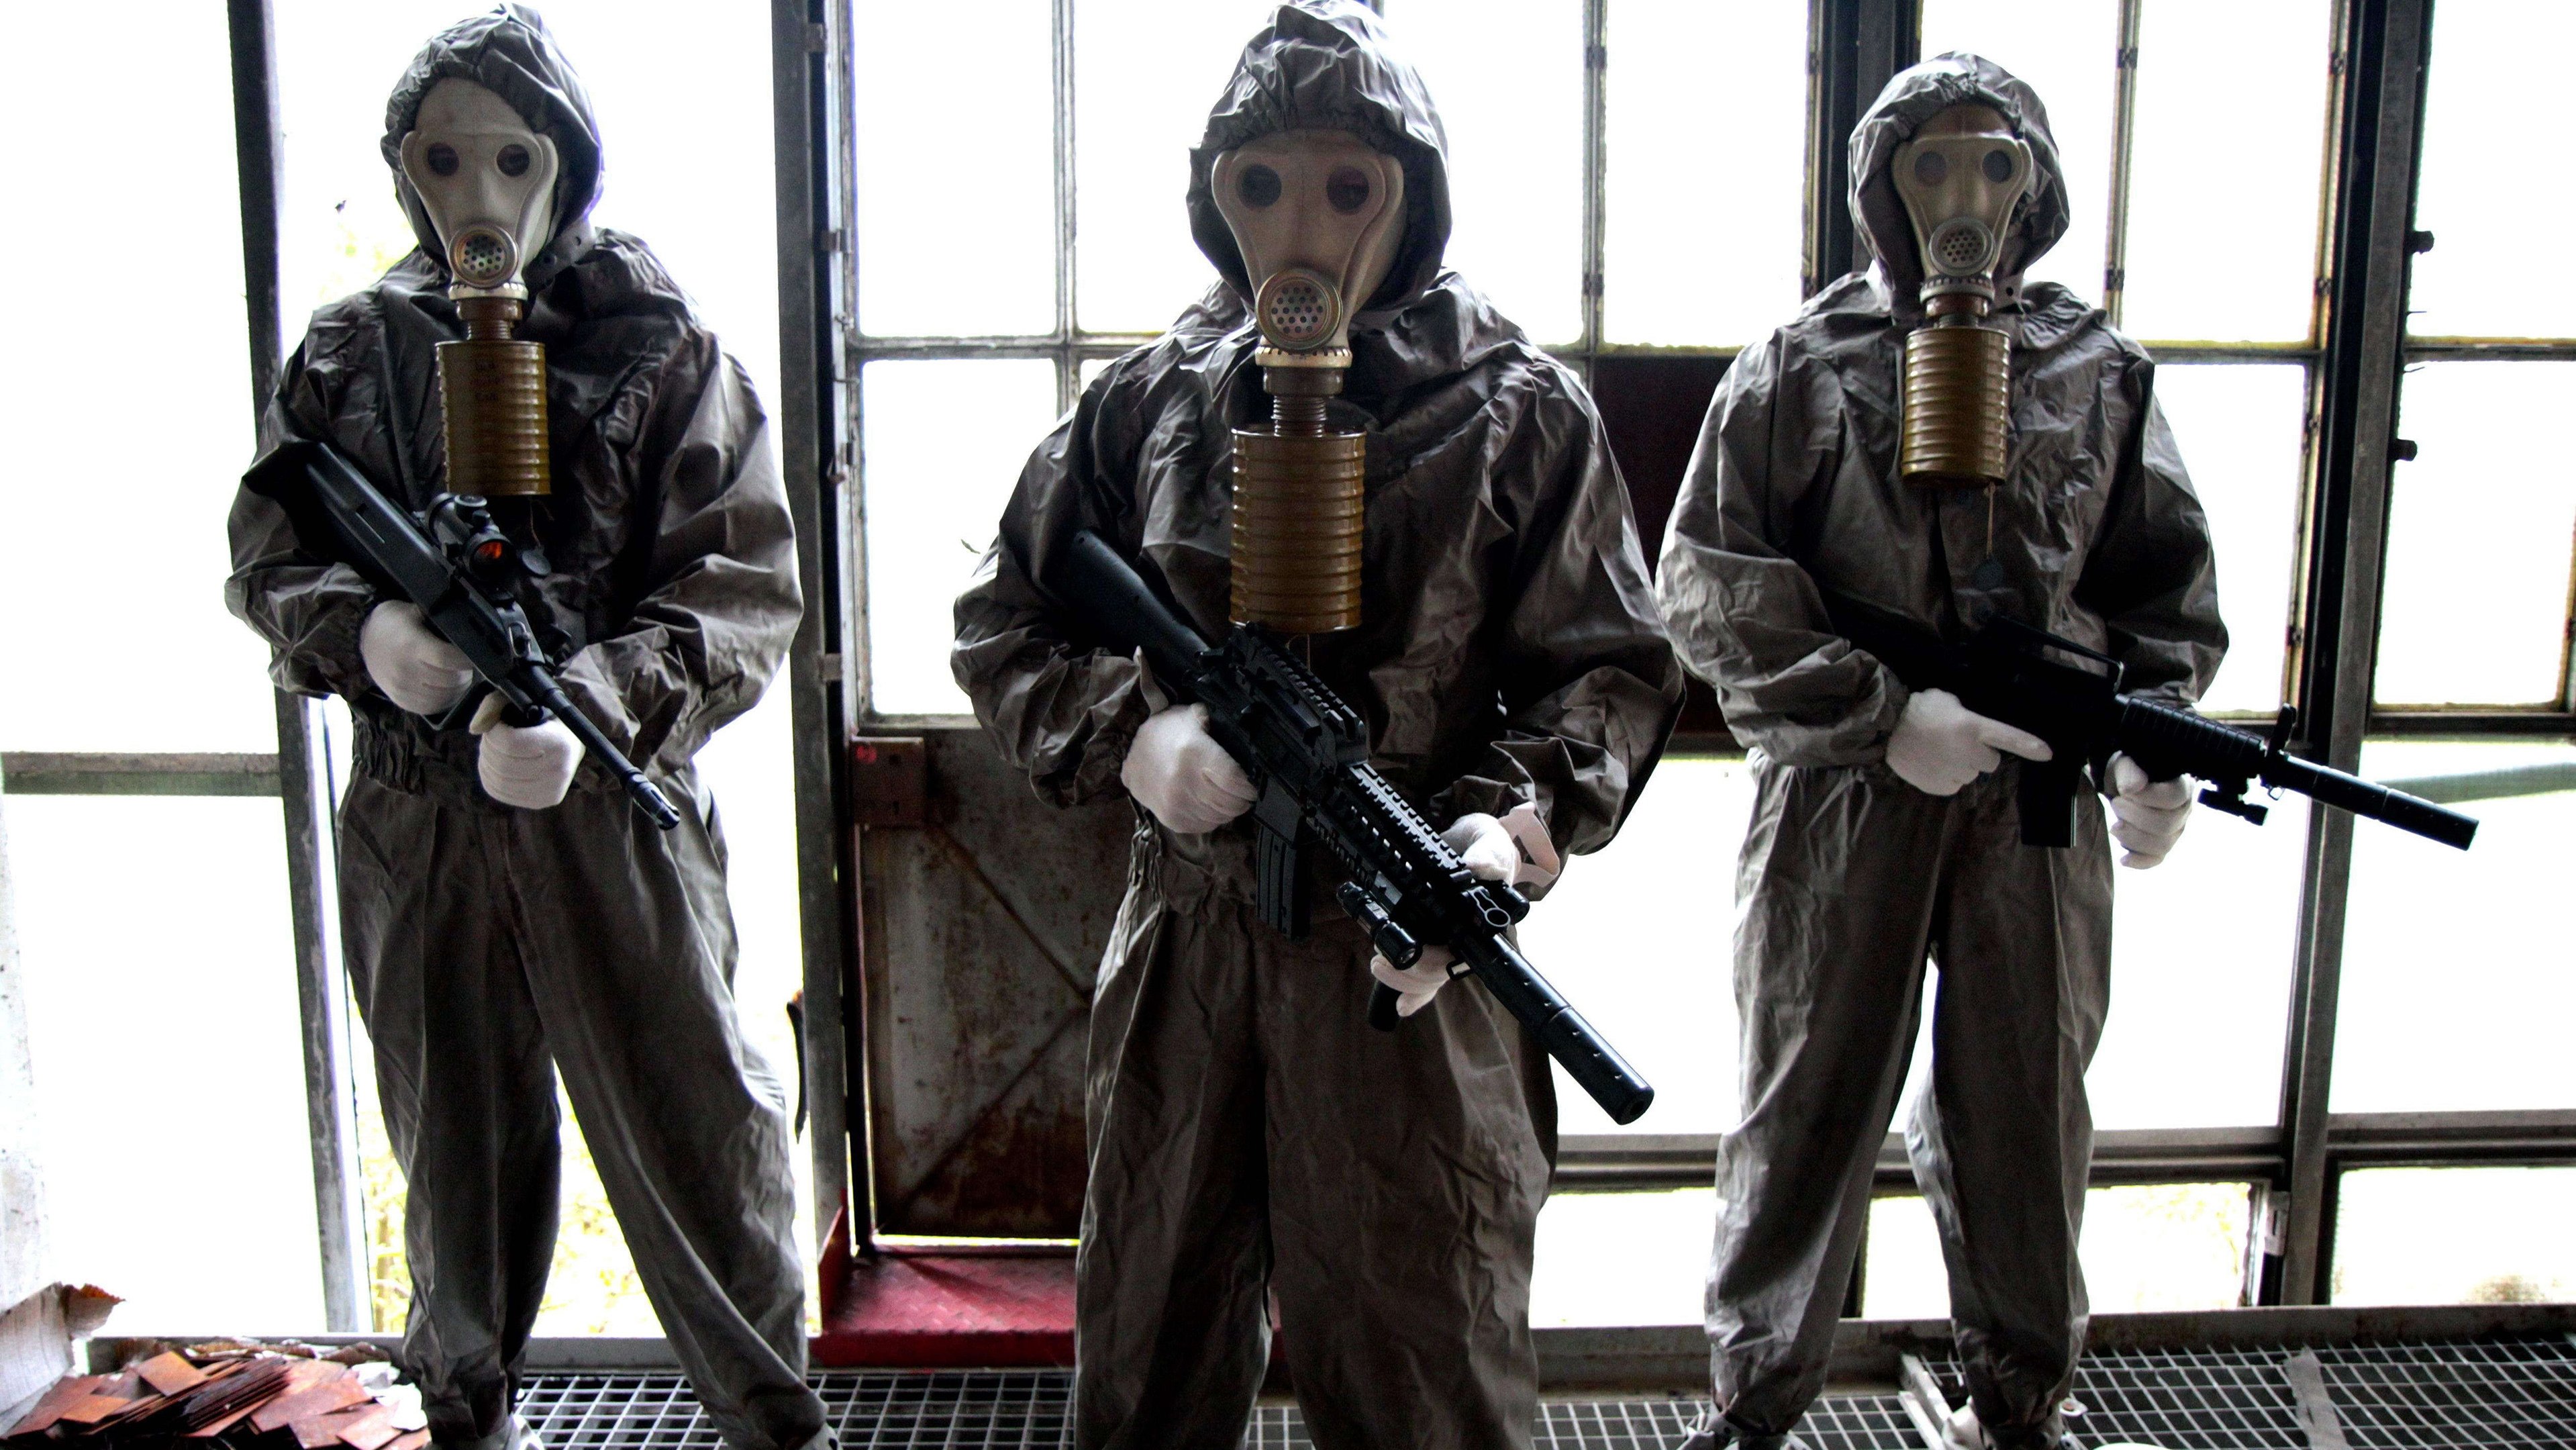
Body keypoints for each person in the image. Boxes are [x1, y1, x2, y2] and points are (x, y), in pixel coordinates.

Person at [952, 4, 1682, 1445]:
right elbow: (1005, 618)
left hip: (1406, 955)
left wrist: (1505, 825)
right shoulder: (1148, 403)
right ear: (1213, 200)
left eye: (1347, 188)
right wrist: (1131, 737)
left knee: (1426, 1364)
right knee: (1149, 1344)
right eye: (1263, 186)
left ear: (1413, 196)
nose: (1302, 231)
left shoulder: (1517, 412)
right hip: (1188, 945)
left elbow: (1606, 668)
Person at [224, 10, 826, 1450]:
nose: (478, 198)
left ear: (565, 162)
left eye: (510, 159)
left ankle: (773, 1424)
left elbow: (742, 592)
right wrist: (368, 636)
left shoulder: (658, 345)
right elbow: (268, 548)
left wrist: (597, 706)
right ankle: (465, 1412)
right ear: (403, 171)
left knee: (701, 1132)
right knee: (452, 1148)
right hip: (418, 813)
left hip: (612, 807)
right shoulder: (351, 352)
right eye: (443, 162)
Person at [1655, 54, 2224, 1450]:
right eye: (1930, 165)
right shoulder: (1798, 365)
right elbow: (1708, 579)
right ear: (1880, 187)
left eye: (1992, 164)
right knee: (1803, 1098)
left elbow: (2158, 580)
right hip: (1839, 801)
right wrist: (1876, 714)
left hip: (2033, 805)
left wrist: (2147, 745)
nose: (1961, 199)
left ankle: (2021, 1407)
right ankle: (1751, 1408)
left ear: (2036, 184)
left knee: (2023, 1113)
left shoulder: (2097, 372)